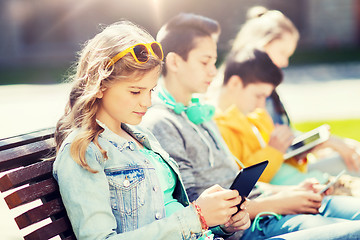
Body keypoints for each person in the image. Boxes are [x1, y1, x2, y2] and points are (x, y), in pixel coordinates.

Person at [141, 12, 360, 240]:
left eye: (214, 62)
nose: (214, 71)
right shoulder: (162, 122)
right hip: (251, 226)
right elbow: (195, 207)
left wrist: (292, 192)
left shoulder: (201, 114)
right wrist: (281, 203)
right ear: (175, 62)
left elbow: (238, 182)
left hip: (265, 211)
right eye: (205, 62)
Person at [53, 20, 251, 240]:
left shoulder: (142, 136)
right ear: (99, 86)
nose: (147, 102)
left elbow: (170, 210)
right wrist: (197, 217)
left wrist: (220, 221)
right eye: (136, 92)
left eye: (151, 90)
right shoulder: (84, 151)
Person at [218, 5, 360, 179]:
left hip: (285, 168)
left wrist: (319, 144)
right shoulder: (239, 94)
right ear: (260, 46)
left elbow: (282, 138)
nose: (285, 62)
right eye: (282, 52)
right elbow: (253, 161)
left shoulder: (264, 92)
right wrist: (322, 143)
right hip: (276, 178)